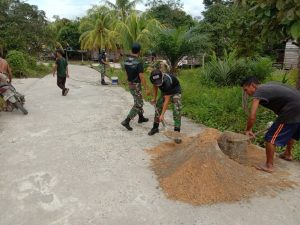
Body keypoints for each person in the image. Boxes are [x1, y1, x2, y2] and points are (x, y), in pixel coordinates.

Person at [241, 77, 300, 173]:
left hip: (292, 110)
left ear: (252, 85)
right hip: (296, 107)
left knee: (270, 138)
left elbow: (252, 116)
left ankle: (269, 166)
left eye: (246, 90)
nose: (247, 93)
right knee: (291, 132)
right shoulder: (269, 85)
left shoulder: (259, 92)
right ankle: (288, 154)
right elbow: (285, 97)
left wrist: (248, 130)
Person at [121, 43, 150, 131]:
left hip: (130, 84)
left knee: (137, 100)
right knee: (138, 104)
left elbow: (126, 73)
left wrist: (126, 81)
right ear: (139, 51)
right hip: (136, 85)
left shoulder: (126, 61)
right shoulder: (139, 62)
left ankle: (141, 117)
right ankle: (126, 121)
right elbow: (141, 76)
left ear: (131, 50)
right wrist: (146, 88)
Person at [148, 69, 182, 136]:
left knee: (177, 109)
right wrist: (154, 98)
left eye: (159, 81)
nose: (158, 84)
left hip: (175, 92)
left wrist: (162, 115)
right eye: (156, 82)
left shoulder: (167, 81)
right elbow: (155, 87)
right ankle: (155, 128)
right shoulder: (153, 79)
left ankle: (177, 132)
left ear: (162, 76)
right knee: (158, 106)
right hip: (165, 92)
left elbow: (167, 100)